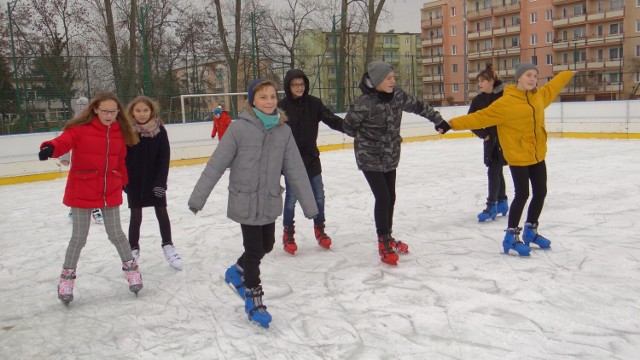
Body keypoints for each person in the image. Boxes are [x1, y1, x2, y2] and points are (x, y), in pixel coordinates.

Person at [188, 78, 318, 328]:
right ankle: (253, 297)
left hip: (269, 200)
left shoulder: (283, 131)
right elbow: (216, 164)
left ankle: (236, 270)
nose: (269, 101)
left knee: (266, 246)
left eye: (272, 96)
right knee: (254, 247)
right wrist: (198, 199)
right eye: (263, 97)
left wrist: (310, 206)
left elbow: (295, 170)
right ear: (252, 101)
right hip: (244, 200)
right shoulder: (239, 129)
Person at [447, 64, 576, 256]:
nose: (532, 79)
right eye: (528, 75)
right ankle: (511, 236)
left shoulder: (539, 96)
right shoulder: (505, 102)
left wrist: (567, 73)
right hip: (517, 156)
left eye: (535, 75)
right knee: (522, 194)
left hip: (537, 154)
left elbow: (553, 87)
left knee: (540, 192)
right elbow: (479, 118)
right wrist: (450, 124)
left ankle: (531, 231)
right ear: (518, 78)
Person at [38, 92, 143, 305]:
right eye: (105, 111)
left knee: (117, 235)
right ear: (95, 109)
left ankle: (132, 270)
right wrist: (50, 148)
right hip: (82, 189)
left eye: (113, 111)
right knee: (79, 238)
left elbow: (120, 160)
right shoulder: (80, 129)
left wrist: (124, 181)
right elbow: (63, 141)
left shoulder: (120, 131)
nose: (109, 115)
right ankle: (66, 279)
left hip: (110, 190)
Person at [343, 61, 451, 266]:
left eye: (393, 77)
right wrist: (369, 138)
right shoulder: (363, 103)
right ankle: (383, 240)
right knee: (382, 196)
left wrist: (438, 120)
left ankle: (388, 235)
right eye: (389, 78)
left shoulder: (398, 96)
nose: (393, 81)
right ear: (377, 81)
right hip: (369, 156)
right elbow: (348, 127)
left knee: (390, 196)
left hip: (391, 154)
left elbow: (419, 106)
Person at [277, 69, 345, 255]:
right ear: (288, 86)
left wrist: (349, 127)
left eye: (301, 84)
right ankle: (288, 233)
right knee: (291, 199)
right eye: (295, 85)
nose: (299, 88)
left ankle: (320, 229)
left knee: (319, 197)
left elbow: (331, 119)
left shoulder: (314, 104)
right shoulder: (281, 107)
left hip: (312, 160)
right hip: (291, 162)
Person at [124, 96, 183, 271]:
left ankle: (168, 246)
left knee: (162, 213)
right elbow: (122, 158)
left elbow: (164, 159)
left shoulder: (160, 131)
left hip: (155, 181)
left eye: (145, 110)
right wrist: (124, 181)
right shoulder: (127, 131)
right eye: (138, 110)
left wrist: (161, 183)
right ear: (132, 112)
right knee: (135, 217)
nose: (142, 114)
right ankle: (132, 250)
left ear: (152, 111)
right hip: (134, 182)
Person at [467, 64, 509, 222]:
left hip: (504, 139)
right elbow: (470, 120)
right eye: (478, 82)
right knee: (496, 170)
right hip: (491, 140)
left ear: (491, 81)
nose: (479, 84)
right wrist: (483, 134)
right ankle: (502, 201)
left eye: (482, 81)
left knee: (494, 170)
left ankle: (492, 205)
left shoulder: (505, 95)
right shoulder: (479, 100)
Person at [61, 96, 104, 224]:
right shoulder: (73, 127)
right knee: (80, 186)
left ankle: (94, 208)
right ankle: (76, 209)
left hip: (94, 162)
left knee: (94, 185)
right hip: (80, 163)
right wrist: (65, 158)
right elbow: (65, 142)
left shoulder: (95, 126)